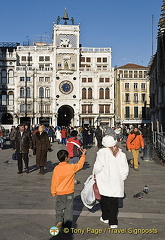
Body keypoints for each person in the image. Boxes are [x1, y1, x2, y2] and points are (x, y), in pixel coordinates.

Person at [93, 135, 129, 228]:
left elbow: (98, 167)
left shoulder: (102, 153)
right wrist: (122, 178)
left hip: (104, 179)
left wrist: (95, 174)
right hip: (116, 180)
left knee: (104, 199)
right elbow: (125, 169)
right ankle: (113, 222)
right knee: (114, 202)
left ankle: (105, 217)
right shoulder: (121, 154)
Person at [51, 149, 86, 229]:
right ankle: (67, 224)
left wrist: (53, 192)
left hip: (59, 192)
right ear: (66, 158)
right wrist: (83, 155)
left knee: (59, 207)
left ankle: (59, 221)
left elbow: (54, 181)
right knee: (68, 208)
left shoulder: (56, 168)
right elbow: (80, 165)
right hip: (69, 192)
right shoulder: (71, 167)